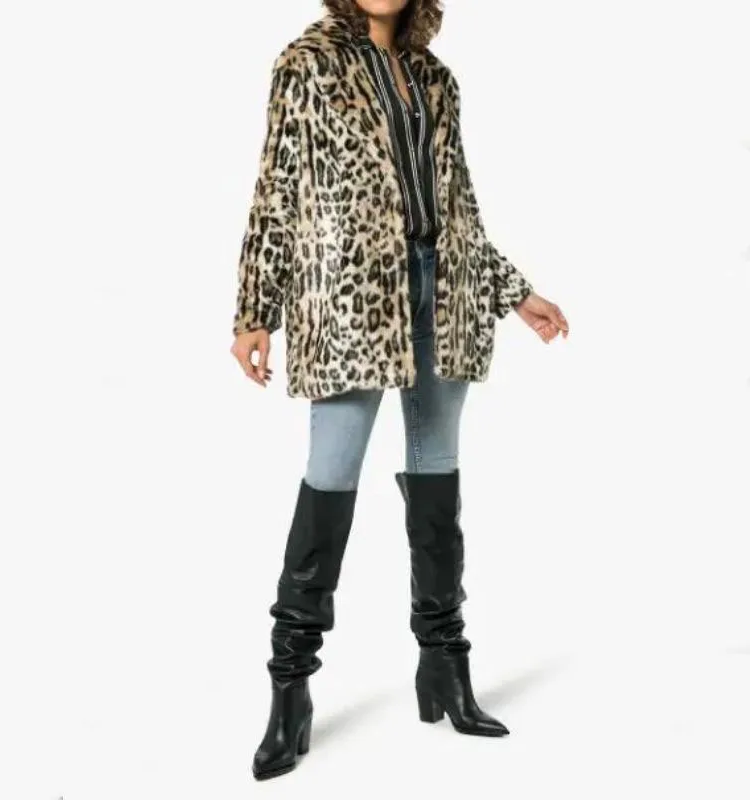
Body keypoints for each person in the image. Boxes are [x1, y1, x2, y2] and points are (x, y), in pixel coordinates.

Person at [230, 0, 569, 781]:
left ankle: (445, 667)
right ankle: (290, 690)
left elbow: (460, 211)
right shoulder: (307, 64)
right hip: (350, 299)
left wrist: (515, 292)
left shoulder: (435, 79)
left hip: (443, 293)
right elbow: (276, 191)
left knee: (437, 476)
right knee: (330, 476)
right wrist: (254, 312)